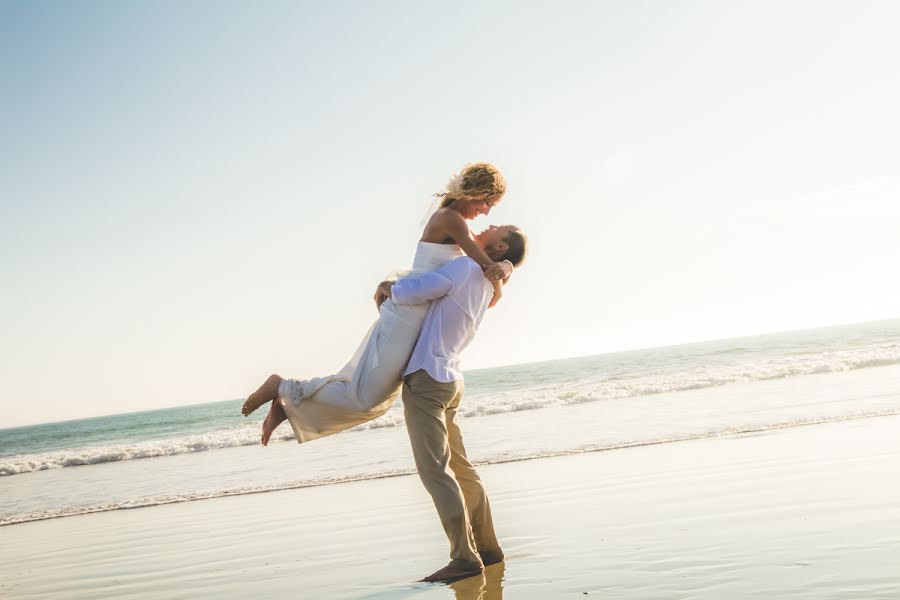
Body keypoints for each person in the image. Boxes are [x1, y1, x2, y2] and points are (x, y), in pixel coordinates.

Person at [241, 162, 516, 445]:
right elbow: (487, 271)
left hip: (418, 315)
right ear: (473, 192)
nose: (486, 211)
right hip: (408, 313)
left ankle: (287, 404)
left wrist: (505, 266)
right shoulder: (450, 219)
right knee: (367, 395)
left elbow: (490, 286)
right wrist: (506, 267)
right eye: (487, 202)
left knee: (372, 394)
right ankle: (282, 389)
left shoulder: (460, 225)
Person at [377, 224, 528, 583]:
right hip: (450, 379)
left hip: (428, 377)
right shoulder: (489, 283)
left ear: (500, 244)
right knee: (461, 468)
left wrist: (388, 287)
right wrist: (505, 271)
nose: (489, 225)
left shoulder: (464, 267)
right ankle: (488, 549)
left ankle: (464, 558)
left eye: (497, 228)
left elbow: (419, 290)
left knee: (436, 472)